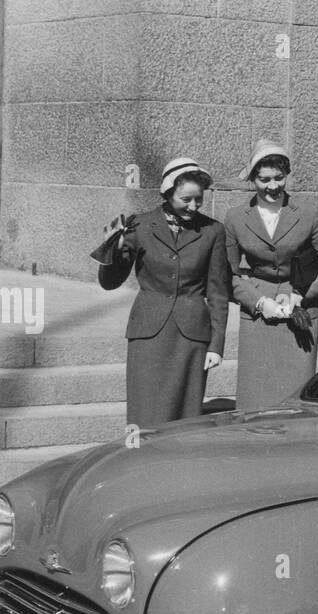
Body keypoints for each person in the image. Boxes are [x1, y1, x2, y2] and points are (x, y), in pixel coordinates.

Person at [94, 157, 230, 429]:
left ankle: (181, 468)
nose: (193, 206)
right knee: (143, 412)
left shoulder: (213, 231)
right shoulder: (139, 225)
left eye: (198, 200)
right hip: (148, 332)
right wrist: (113, 247)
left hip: (192, 335)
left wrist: (216, 345)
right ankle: (136, 460)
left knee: (186, 415)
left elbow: (218, 293)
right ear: (168, 194)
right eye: (185, 199)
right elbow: (109, 282)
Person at [225, 140, 318, 411]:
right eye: (264, 179)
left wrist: (300, 294)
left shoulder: (309, 213)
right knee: (256, 398)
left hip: (300, 312)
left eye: (279, 178)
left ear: (287, 175)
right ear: (252, 179)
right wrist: (258, 302)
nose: (272, 186)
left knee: (295, 400)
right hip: (258, 313)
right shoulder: (234, 218)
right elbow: (228, 275)